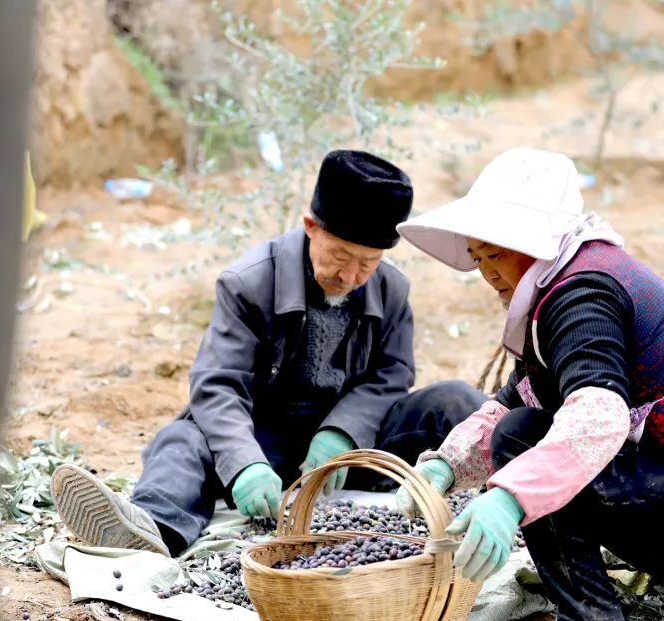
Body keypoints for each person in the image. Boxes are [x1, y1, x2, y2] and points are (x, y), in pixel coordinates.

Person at [394, 148, 664, 621]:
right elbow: (523, 394)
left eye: (496, 254)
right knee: (520, 427)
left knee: (522, 439)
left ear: (532, 243)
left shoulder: (581, 294)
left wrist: (509, 499)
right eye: (478, 258)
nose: (487, 273)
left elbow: (596, 418)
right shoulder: (577, 274)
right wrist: (444, 465)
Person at [51, 149, 486, 557]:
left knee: (456, 402)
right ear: (310, 226)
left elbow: (391, 375)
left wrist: (343, 433)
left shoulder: (392, 289)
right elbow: (218, 385)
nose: (350, 275)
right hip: (264, 440)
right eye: (339, 255)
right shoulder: (248, 283)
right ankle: (151, 531)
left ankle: (511, 508)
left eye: (367, 262)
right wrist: (244, 465)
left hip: (349, 453)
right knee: (182, 440)